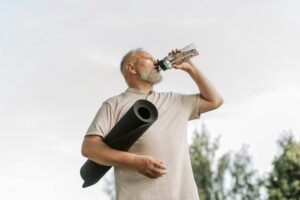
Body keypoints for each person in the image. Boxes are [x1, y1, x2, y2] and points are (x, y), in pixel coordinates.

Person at [81, 47, 223, 200]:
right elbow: (89, 148)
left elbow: (214, 100)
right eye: (148, 58)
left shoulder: (176, 101)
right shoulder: (113, 104)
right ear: (131, 68)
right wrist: (135, 161)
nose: (156, 61)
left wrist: (191, 68)